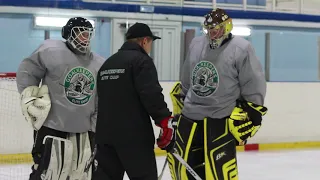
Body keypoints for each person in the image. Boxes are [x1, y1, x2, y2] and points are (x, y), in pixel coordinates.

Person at [168, 8, 268, 180]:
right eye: (209, 30)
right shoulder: (196, 44)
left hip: (220, 121)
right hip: (189, 119)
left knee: (218, 174)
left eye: (217, 29)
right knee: (182, 173)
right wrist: (179, 110)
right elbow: (186, 79)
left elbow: (253, 83)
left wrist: (253, 112)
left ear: (227, 27)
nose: (213, 34)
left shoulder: (242, 48)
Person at [16, 17, 104, 180]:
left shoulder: (98, 63)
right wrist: (31, 100)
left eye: (87, 34)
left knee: (79, 173)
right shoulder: (50, 50)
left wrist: (94, 127)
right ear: (68, 34)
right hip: (52, 127)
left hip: (83, 131)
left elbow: (100, 98)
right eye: (80, 34)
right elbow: (28, 72)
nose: (84, 38)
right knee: (46, 171)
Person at [93, 22, 177, 180]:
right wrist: (164, 120)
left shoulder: (108, 63)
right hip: (134, 138)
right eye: (151, 42)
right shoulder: (141, 61)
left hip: (105, 136)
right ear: (145, 41)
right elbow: (151, 95)